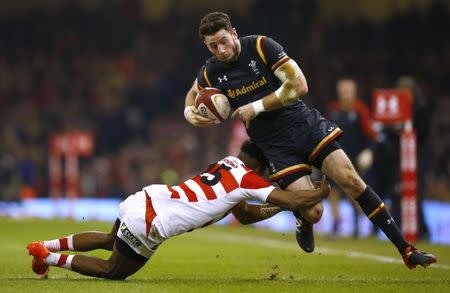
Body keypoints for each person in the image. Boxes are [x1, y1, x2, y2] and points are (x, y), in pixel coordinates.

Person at [183, 11, 435, 268]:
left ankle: (406, 250)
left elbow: (300, 85)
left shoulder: (260, 46)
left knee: (352, 181)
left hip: (304, 124)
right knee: (314, 212)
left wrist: (255, 107)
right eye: (213, 46)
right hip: (274, 146)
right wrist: (190, 114)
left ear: (234, 33)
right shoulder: (211, 71)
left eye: (224, 41)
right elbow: (192, 96)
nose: (221, 50)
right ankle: (301, 217)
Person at [27, 141, 330, 280]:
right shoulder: (247, 178)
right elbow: (293, 201)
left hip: (147, 197)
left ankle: (45, 245)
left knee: (110, 239)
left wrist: (273, 209)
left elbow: (245, 214)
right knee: (113, 271)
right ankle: (49, 257)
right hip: (152, 221)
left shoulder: (226, 163)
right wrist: (320, 192)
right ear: (260, 166)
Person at [327, 78, 376, 237]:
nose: (346, 94)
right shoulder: (333, 109)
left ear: (354, 92)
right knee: (332, 191)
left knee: (353, 193)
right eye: (343, 91)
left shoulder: (361, 110)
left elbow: (372, 135)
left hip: (355, 160)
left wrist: (368, 151)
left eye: (349, 91)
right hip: (335, 158)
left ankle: (357, 224)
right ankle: (336, 224)